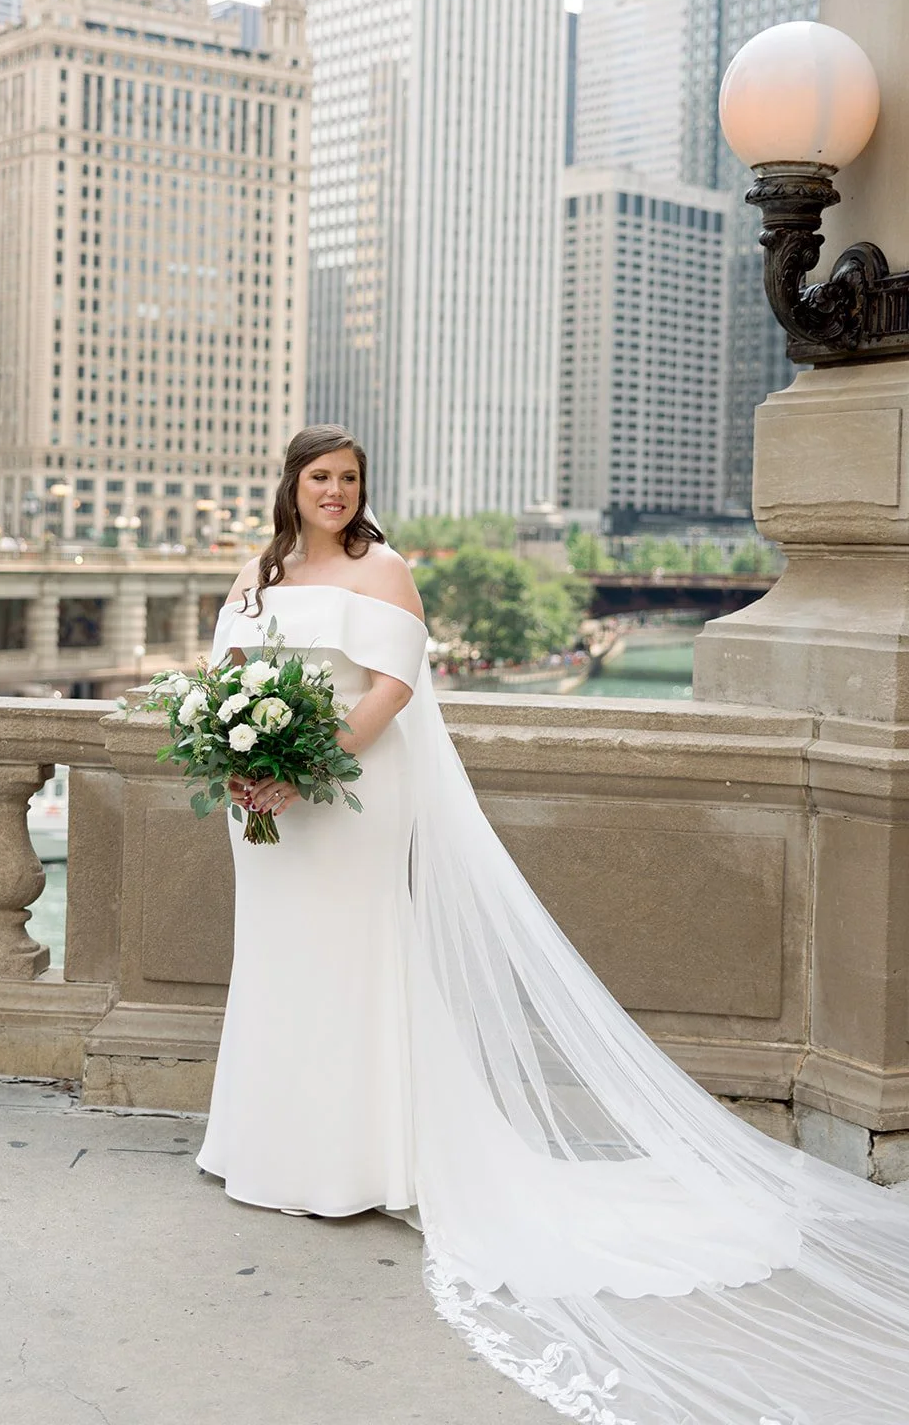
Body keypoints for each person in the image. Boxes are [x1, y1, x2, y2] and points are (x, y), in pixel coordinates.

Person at [198, 423, 909, 1424]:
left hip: (347, 790)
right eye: (321, 477)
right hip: (259, 803)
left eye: (350, 479)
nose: (336, 492)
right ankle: (266, 1143)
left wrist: (302, 767)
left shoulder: (386, 568)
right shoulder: (258, 569)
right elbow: (222, 673)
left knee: (355, 961)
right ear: (291, 485)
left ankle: (358, 1158)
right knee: (278, 963)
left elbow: (395, 690)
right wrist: (236, 758)